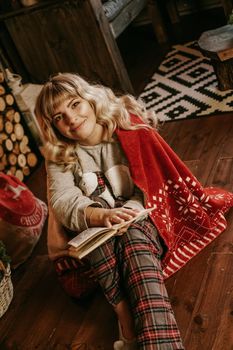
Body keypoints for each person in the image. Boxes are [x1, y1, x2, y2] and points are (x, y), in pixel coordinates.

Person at [35, 73, 233, 350]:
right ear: (53, 126)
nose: (70, 119)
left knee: (134, 240)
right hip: (97, 226)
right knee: (99, 235)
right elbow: (63, 199)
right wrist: (100, 216)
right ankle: (126, 314)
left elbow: (152, 184)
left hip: (143, 215)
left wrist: (127, 213)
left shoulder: (130, 128)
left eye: (75, 104)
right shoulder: (60, 153)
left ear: (90, 100)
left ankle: (134, 329)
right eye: (58, 117)